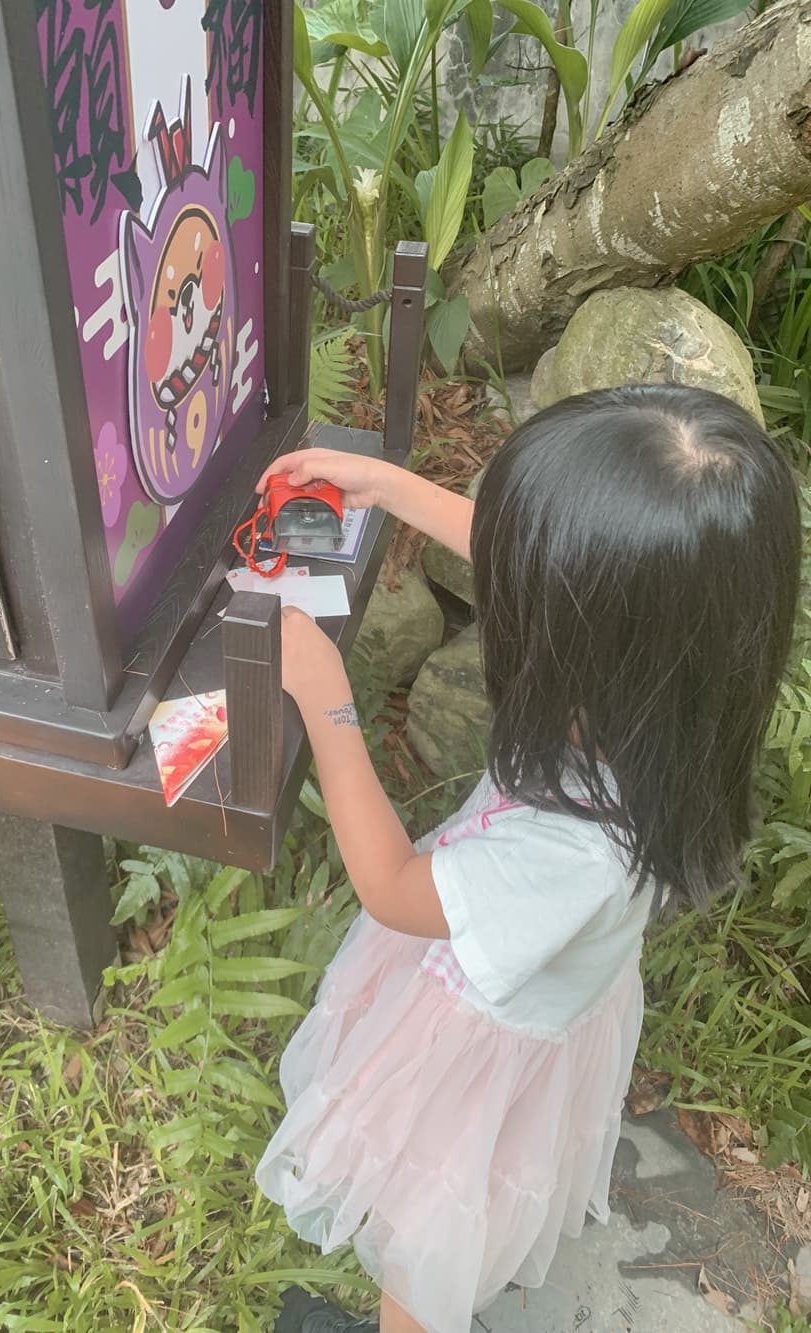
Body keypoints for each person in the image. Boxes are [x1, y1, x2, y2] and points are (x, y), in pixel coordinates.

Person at [253, 385, 802, 1333]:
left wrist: (327, 703)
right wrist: (381, 484)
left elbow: (389, 887)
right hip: (547, 999)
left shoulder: (571, 847)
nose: (505, 604)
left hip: (476, 1049)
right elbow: (540, 561)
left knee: (424, 1252)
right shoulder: (678, 697)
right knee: (454, 1236)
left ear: (588, 637)